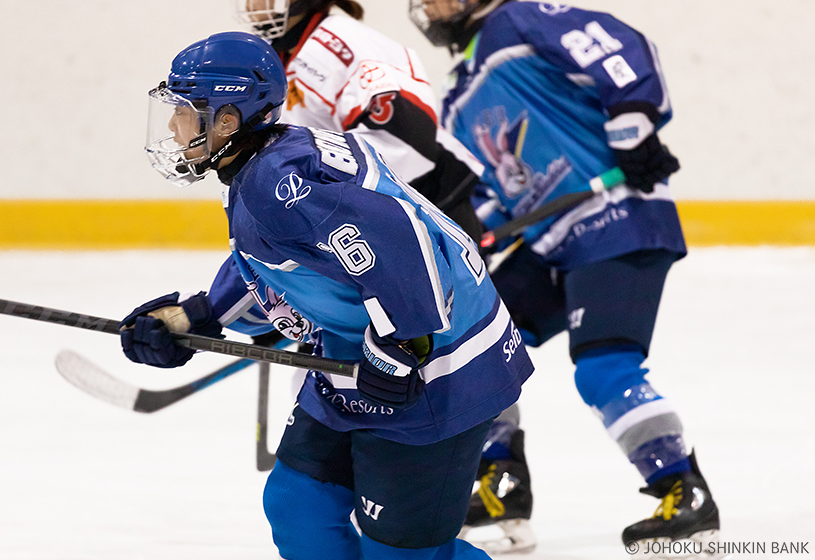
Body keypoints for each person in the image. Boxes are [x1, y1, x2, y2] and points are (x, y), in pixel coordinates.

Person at [122, 31, 534, 560]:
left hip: (443, 366)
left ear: (227, 120)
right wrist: (198, 314)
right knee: (299, 507)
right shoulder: (268, 162)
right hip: (356, 356)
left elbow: (401, 239)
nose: (175, 127)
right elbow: (283, 266)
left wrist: (404, 345)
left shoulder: (274, 182)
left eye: (185, 111)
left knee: (403, 557)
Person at [410, 0, 721, 555]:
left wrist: (633, 126)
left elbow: (616, 48)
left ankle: (682, 488)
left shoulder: (521, 20)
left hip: (617, 218)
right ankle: (500, 483)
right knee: (473, 344)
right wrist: (482, 228)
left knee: (604, 366)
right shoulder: (457, 99)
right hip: (552, 242)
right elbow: (494, 191)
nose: (429, 4)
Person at [235, 0, 535, 552]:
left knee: (436, 367)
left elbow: (409, 152)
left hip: (409, 233)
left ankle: (493, 471)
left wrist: (394, 258)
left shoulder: (338, 47)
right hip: (360, 240)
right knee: (364, 393)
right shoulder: (288, 55)